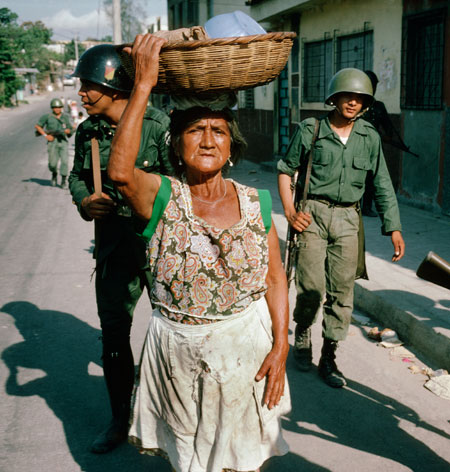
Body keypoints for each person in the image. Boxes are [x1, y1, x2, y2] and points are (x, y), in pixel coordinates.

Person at [107, 34, 290, 471]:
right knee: (189, 456)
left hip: (245, 349)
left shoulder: (256, 201)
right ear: (176, 145)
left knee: (240, 458)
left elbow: (275, 279)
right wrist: (144, 87)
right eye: (195, 131)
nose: (208, 140)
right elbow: (118, 172)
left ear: (231, 147)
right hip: (179, 354)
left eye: (218, 132)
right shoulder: (163, 196)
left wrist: (281, 345)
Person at [67, 44, 174, 454]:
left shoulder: (156, 124)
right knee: (113, 335)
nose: (81, 94)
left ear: (113, 84)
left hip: (159, 244)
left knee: (173, 333)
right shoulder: (87, 131)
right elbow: (77, 176)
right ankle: (118, 420)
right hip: (113, 245)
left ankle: (170, 419)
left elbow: (179, 186)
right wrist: (85, 201)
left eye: (88, 86)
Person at [277, 68, 406, 388]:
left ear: (366, 103)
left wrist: (394, 227)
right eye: (347, 96)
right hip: (313, 216)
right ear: (334, 98)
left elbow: (383, 185)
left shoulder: (369, 137)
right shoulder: (312, 129)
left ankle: (330, 355)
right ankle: (303, 330)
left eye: (360, 98)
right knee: (311, 287)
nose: (353, 102)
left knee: (342, 292)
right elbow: (284, 170)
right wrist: (291, 213)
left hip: (349, 219)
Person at [360, 70, 411, 217]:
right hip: (355, 146)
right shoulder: (356, 104)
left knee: (371, 178)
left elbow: (388, 127)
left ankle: (367, 207)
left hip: (372, 148)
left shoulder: (378, 106)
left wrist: (385, 136)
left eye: (374, 85)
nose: (372, 88)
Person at [35, 98, 73, 188]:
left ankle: (63, 180)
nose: (57, 109)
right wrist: (46, 135)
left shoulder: (65, 117)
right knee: (52, 163)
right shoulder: (47, 117)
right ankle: (54, 174)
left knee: (64, 161)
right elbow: (38, 126)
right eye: (55, 107)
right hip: (52, 142)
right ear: (52, 108)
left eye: (59, 107)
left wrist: (69, 131)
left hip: (63, 141)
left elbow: (70, 129)